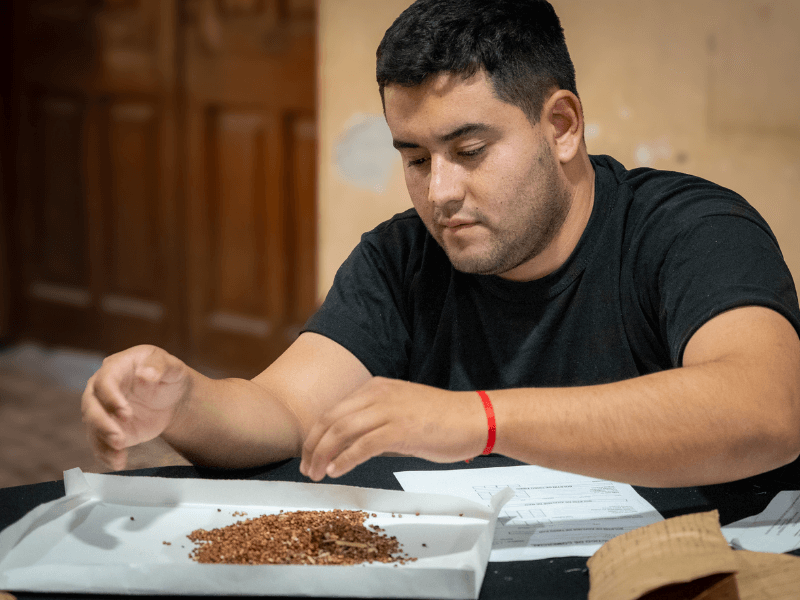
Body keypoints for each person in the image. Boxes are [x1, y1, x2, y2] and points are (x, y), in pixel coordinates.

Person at [82, 0, 800, 488]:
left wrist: (477, 420)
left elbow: (766, 409)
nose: (440, 192)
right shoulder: (403, 257)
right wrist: (180, 403)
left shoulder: (689, 228)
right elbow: (280, 411)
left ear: (561, 126)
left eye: (470, 149)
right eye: (417, 158)